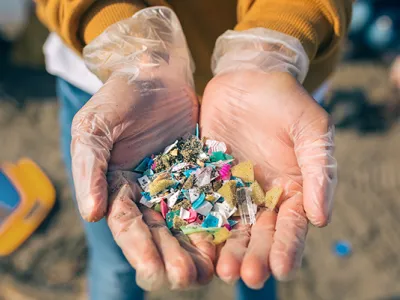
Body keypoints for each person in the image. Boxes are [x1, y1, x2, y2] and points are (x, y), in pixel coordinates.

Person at [35, 1, 352, 299]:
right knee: (116, 261)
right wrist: (131, 52)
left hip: (277, 92)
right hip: (116, 85)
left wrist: (270, 52)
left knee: (257, 263)